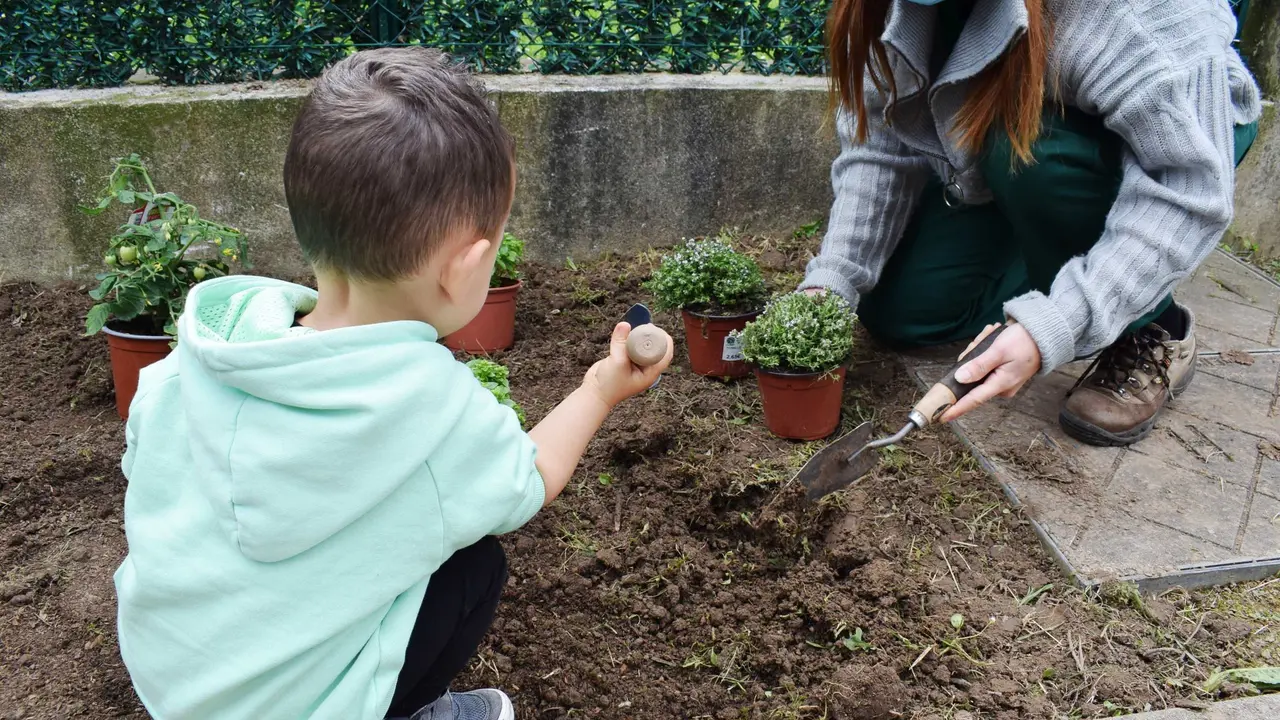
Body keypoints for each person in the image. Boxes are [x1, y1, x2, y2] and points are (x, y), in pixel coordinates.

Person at [112, 47, 674, 720]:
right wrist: (600, 389)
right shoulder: (430, 414)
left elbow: (145, 479)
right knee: (473, 570)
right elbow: (535, 475)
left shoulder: (201, 354)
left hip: (176, 682)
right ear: (465, 268)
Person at [801, 0, 1262, 445]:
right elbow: (879, 147)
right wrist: (833, 279)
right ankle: (1049, 235)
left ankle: (1155, 327)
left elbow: (1188, 189)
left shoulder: (1130, 13)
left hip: (1185, 134)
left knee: (1033, 157)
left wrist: (1055, 325)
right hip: (1014, 147)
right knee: (903, 313)